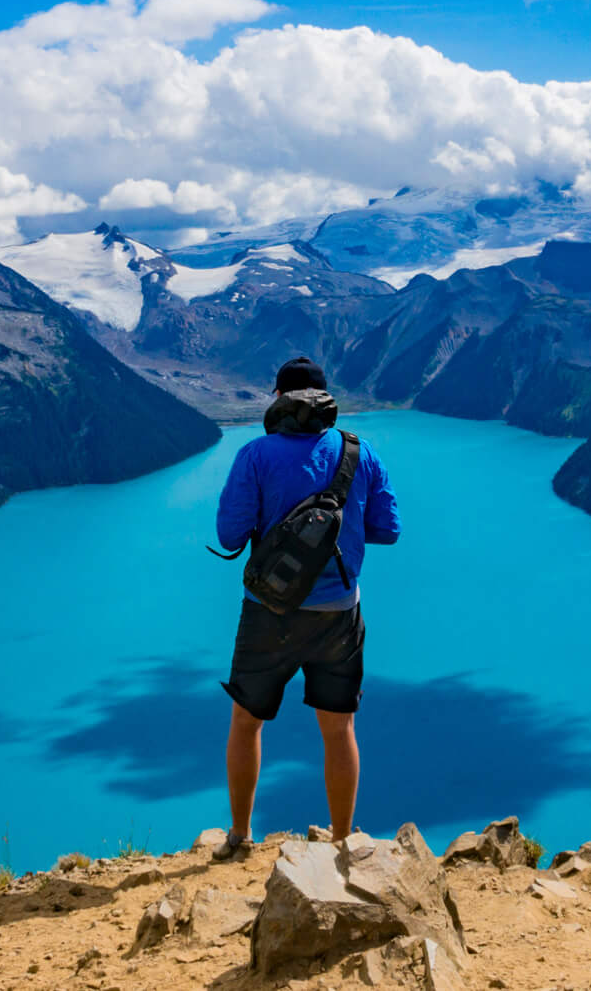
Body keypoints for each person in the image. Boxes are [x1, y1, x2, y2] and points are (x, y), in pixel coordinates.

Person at [211, 356, 399, 860]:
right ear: (324, 399)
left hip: (268, 612)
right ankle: (342, 841)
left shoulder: (254, 455)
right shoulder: (362, 454)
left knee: (247, 720)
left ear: (279, 398)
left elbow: (229, 533)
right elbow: (389, 529)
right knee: (339, 728)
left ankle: (240, 837)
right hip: (340, 612)